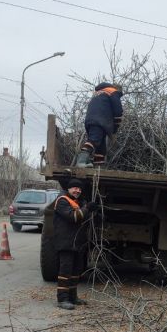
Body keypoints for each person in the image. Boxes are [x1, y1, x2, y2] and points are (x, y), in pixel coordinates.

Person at [53, 179, 97, 309]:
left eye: (79, 189)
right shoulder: (62, 201)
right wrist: (87, 208)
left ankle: (72, 297)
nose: (77, 191)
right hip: (65, 242)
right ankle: (62, 299)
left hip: (77, 243)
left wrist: (93, 210)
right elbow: (74, 217)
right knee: (65, 272)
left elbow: (85, 218)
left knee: (75, 272)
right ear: (69, 189)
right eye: (74, 188)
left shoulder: (80, 202)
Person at [76, 82, 123, 167]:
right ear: (118, 90)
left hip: (90, 120)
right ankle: (81, 162)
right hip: (100, 120)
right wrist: (114, 130)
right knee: (94, 140)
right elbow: (118, 111)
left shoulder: (99, 93)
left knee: (101, 148)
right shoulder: (113, 91)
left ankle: (98, 168)